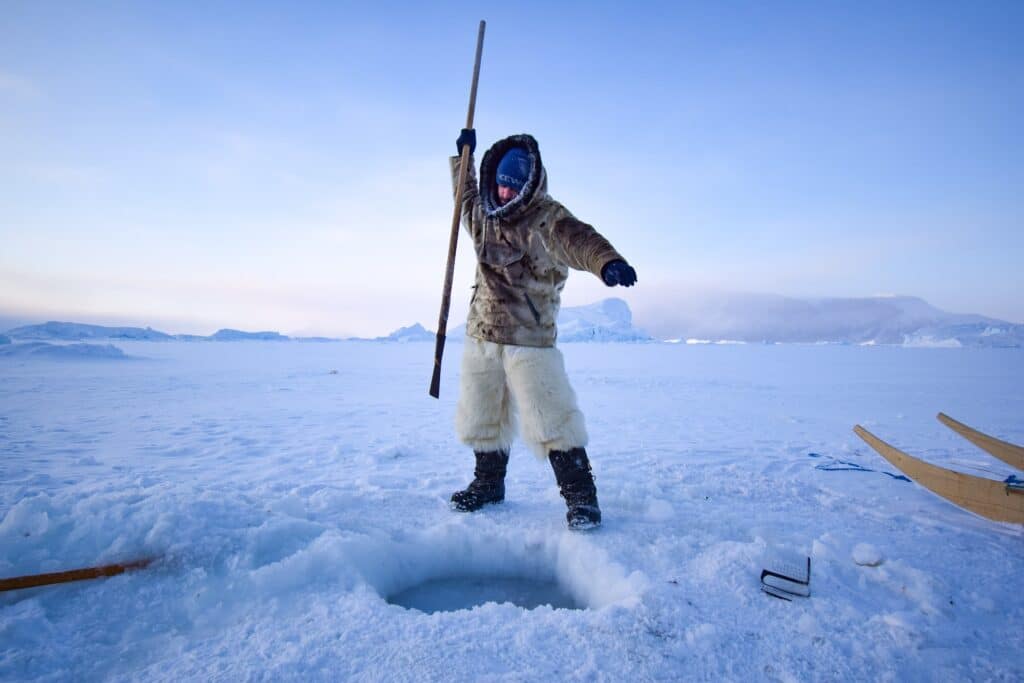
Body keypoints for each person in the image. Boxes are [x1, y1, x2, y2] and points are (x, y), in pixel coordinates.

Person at [448, 128, 637, 530]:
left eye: (511, 186)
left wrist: (606, 262)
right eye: (499, 185)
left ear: (528, 185)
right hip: (482, 333)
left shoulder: (546, 219)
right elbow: (464, 198)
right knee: (482, 416)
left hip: (529, 340)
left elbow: (579, 239)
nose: (503, 194)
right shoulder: (483, 213)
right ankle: (487, 485)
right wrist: (462, 159)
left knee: (551, 419)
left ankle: (582, 500)